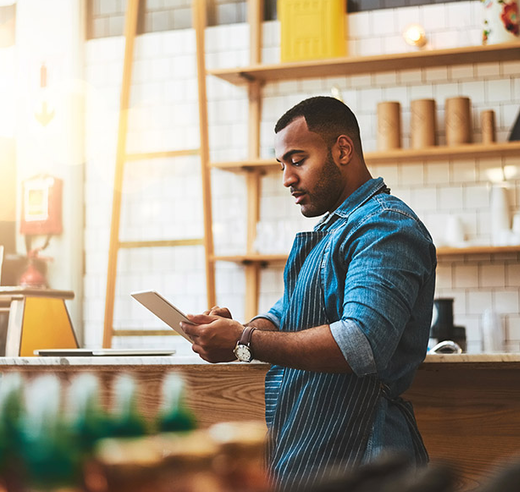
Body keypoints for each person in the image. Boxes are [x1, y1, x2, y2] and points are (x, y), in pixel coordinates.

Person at [181, 96, 436, 490]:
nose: (286, 178)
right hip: (311, 452)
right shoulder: (335, 230)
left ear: (343, 149)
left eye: (298, 160)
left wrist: (245, 340)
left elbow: (362, 342)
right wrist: (237, 330)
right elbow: (286, 316)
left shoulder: (385, 227)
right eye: (282, 165)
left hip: (366, 453)